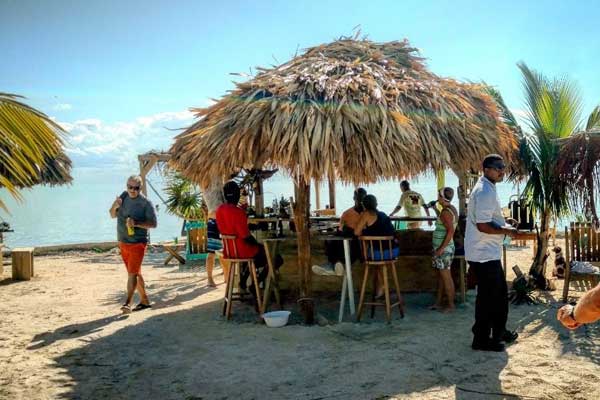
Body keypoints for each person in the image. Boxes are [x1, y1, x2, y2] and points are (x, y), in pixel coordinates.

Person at [465, 154, 521, 352]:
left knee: (498, 295)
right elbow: (482, 225)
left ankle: (499, 330)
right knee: (488, 298)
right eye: (498, 167)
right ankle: (480, 339)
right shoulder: (484, 191)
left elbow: (488, 218)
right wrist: (507, 230)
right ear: (487, 169)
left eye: (503, 167)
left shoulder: (488, 187)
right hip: (483, 253)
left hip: (486, 252)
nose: (502, 171)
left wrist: (505, 222)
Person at [216, 181, 279, 293]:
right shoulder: (238, 212)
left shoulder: (220, 210)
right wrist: (259, 245)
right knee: (275, 258)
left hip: (230, 251)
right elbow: (246, 238)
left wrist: (248, 226)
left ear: (225, 195)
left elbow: (231, 228)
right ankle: (255, 285)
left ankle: (244, 280)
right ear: (237, 195)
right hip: (243, 251)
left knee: (258, 255)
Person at [109, 175, 157, 314]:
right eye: (130, 187)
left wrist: (136, 223)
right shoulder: (123, 197)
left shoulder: (146, 203)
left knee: (132, 274)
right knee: (136, 272)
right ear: (126, 186)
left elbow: (153, 224)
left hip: (138, 243)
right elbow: (112, 215)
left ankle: (127, 303)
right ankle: (145, 301)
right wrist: (115, 205)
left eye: (135, 188)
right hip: (123, 241)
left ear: (140, 188)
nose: (132, 190)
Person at [312, 188, 367, 276]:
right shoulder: (347, 213)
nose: (360, 201)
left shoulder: (368, 214)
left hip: (358, 246)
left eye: (362, 198)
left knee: (342, 236)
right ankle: (336, 266)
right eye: (358, 198)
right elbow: (341, 230)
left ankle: (331, 266)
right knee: (335, 238)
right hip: (346, 245)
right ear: (354, 198)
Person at [354, 194, 399, 297]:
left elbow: (356, 232)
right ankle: (381, 288)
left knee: (375, 261)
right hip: (394, 250)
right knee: (378, 264)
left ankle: (382, 286)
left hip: (380, 253)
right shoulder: (383, 214)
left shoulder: (366, 214)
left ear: (364, 205)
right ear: (376, 204)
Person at [429, 187, 459, 313]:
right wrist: (435, 209)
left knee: (446, 277)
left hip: (444, 249)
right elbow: (444, 221)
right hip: (445, 248)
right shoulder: (450, 209)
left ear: (442, 197)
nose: (437, 198)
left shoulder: (446, 212)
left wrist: (441, 249)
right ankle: (439, 302)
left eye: (439, 196)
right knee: (443, 277)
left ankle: (451, 305)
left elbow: (450, 231)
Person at [203, 180, 229, 287]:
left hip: (223, 219)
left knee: (224, 251)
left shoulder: (221, 179)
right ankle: (209, 278)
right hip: (213, 220)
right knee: (212, 252)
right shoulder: (205, 180)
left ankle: (227, 277)